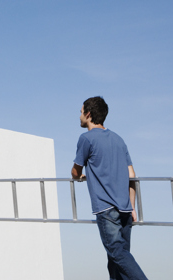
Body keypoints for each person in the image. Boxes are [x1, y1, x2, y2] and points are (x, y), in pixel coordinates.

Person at [71, 96, 147, 280]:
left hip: (106, 209)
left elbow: (75, 171)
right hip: (125, 209)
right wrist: (132, 206)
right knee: (117, 263)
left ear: (88, 114)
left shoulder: (86, 139)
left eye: (81, 112)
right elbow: (132, 176)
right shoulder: (119, 139)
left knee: (118, 255)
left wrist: (80, 176)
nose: (79, 115)